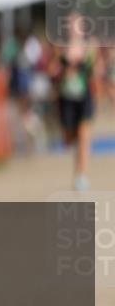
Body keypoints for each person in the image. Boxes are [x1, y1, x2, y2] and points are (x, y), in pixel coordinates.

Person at [49, 12, 96, 191]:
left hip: (84, 98)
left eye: (77, 24)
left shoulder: (90, 46)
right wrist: (63, 67)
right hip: (66, 98)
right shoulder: (60, 47)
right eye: (71, 24)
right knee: (69, 139)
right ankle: (73, 140)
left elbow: (95, 69)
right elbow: (52, 69)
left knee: (84, 136)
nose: (74, 28)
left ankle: (81, 175)